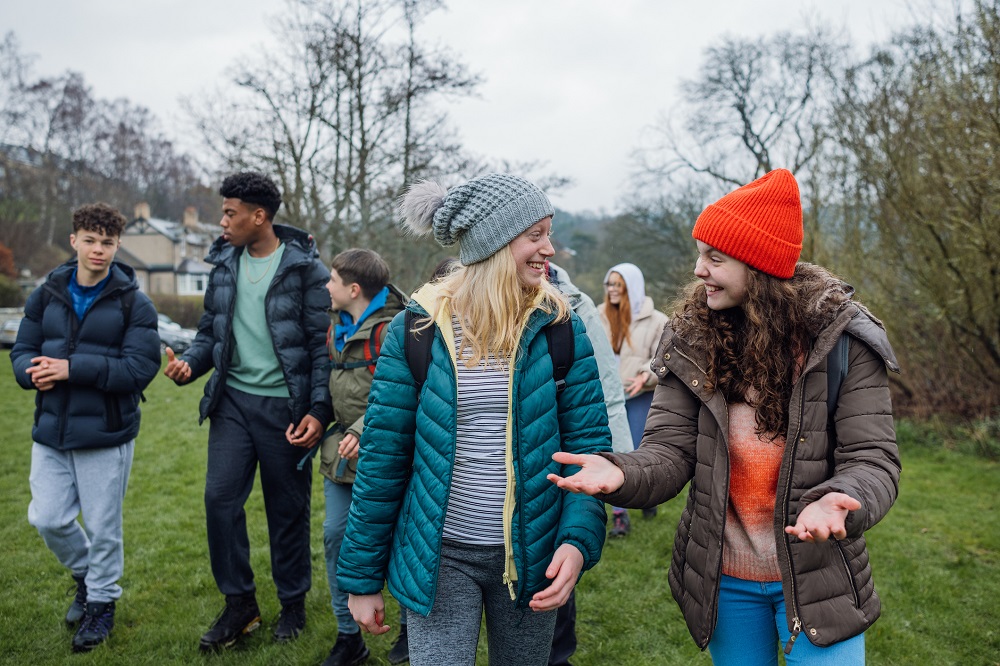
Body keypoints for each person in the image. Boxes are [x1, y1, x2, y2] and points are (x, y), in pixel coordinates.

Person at [549, 169, 901, 666]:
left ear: (760, 266)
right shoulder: (691, 339)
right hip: (725, 582)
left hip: (819, 576)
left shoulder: (842, 341)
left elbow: (873, 458)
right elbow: (670, 452)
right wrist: (622, 472)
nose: (699, 270)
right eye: (700, 254)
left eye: (716, 258)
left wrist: (840, 501)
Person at [336, 173, 611, 666]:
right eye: (535, 235)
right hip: (439, 556)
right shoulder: (416, 329)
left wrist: (575, 541)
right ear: (494, 242)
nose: (549, 249)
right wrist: (361, 579)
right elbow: (383, 459)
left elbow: (589, 450)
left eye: (548, 234)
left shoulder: (561, 328)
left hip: (533, 554)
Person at [162, 171, 333, 651]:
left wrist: (319, 410)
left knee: (287, 510)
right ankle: (239, 603)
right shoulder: (223, 263)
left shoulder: (305, 269)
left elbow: (320, 349)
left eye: (229, 213)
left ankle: (293, 602)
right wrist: (190, 365)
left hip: (285, 409)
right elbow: (210, 331)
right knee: (219, 500)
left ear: (259, 216)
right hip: (232, 402)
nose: (222, 222)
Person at [11, 203, 160, 653]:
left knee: (102, 527)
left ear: (117, 246)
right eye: (90, 240)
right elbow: (22, 349)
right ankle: (86, 576)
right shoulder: (46, 294)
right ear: (74, 240)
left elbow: (140, 368)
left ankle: (101, 604)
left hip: (105, 434)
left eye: (107, 242)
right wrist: (29, 372)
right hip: (51, 430)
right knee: (47, 518)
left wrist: (72, 368)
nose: (98, 249)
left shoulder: (135, 302)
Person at [320, 248, 408, 666]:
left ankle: (410, 632)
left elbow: (405, 390)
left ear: (354, 289)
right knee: (336, 537)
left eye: (332, 280)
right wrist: (314, 417)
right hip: (339, 458)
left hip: (388, 455)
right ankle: (348, 636)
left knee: (402, 542)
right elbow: (332, 385)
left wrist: (362, 428)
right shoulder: (334, 325)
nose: (326, 286)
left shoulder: (395, 330)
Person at [545, 261, 632, 666]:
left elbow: (606, 389)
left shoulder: (575, 310)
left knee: (556, 565)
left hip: (561, 463)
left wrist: (623, 462)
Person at [597, 262, 668, 536]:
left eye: (619, 285)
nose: (612, 290)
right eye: (609, 284)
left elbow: (663, 358)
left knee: (640, 452)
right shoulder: (598, 315)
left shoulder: (657, 321)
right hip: (608, 397)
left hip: (639, 396)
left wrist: (645, 375)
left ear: (632, 287)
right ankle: (620, 516)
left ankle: (647, 496)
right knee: (616, 453)